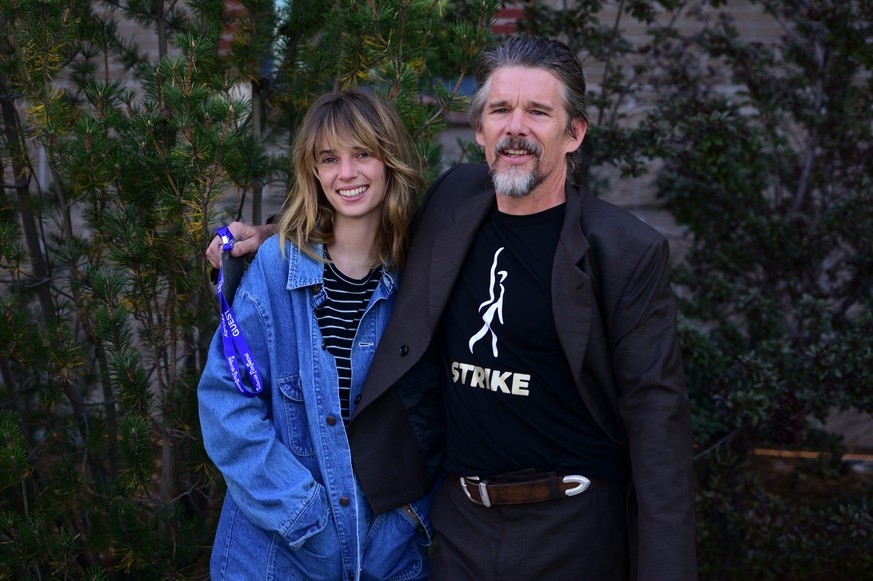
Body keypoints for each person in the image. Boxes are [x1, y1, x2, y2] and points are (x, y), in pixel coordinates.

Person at [208, 35, 697, 581]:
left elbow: (660, 432)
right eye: (500, 110)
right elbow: (361, 216)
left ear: (574, 132)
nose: (516, 127)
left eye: (538, 111)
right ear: (480, 129)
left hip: (572, 528)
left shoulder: (624, 252)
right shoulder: (452, 205)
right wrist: (271, 234)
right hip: (461, 530)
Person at [198, 90, 433, 581]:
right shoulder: (275, 268)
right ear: (314, 173)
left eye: (363, 153)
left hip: (387, 554)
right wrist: (305, 519)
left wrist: (411, 521)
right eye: (330, 159)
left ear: (389, 161)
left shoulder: (422, 276)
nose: (346, 173)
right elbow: (227, 405)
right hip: (274, 555)